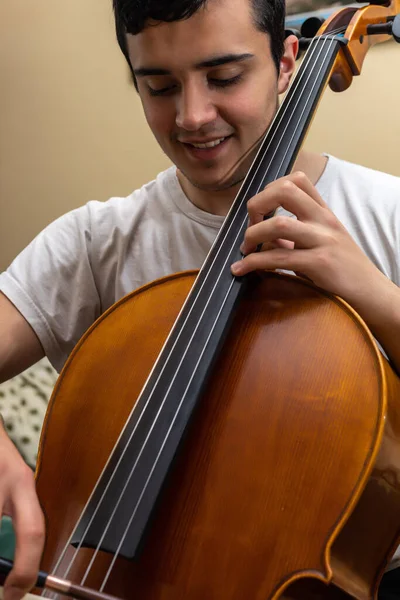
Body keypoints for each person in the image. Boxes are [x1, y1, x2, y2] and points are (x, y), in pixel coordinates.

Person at [1, 0, 400, 598]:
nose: (192, 115)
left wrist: (374, 293)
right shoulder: (94, 241)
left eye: (225, 77)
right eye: (159, 86)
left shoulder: (388, 214)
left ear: (286, 61)